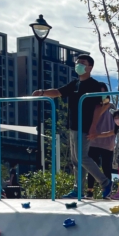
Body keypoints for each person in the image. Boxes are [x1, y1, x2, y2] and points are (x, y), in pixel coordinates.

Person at [32, 54, 111, 199]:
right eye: (77, 62)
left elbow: (101, 106)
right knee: (76, 160)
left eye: (82, 63)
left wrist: (94, 126)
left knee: (82, 157)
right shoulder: (74, 84)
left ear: (90, 67)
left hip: (85, 126)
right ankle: (77, 190)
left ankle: (105, 182)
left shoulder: (94, 85)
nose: (78, 65)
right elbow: (57, 92)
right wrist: (42, 92)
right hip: (73, 125)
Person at [87, 107, 116, 198]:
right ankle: (107, 192)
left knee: (92, 166)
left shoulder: (98, 108)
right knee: (106, 167)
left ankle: (90, 191)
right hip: (107, 142)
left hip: (95, 140)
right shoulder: (114, 110)